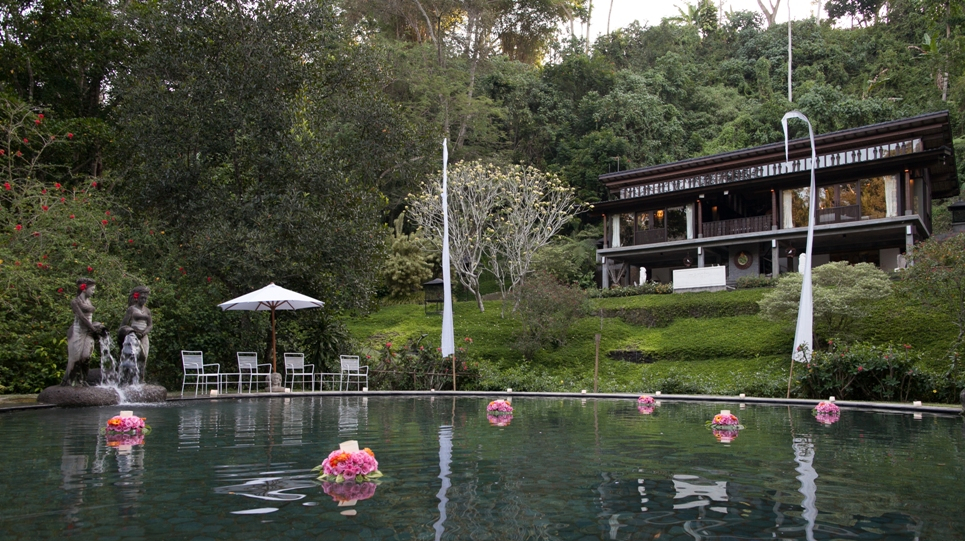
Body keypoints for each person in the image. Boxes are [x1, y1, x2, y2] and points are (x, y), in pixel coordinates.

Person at [63, 278, 107, 385]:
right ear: (84, 289)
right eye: (92, 289)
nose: (93, 292)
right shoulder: (75, 301)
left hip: (88, 331)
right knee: (75, 359)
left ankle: (83, 379)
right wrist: (93, 329)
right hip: (78, 331)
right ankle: (69, 381)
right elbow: (82, 318)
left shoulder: (88, 301)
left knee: (86, 356)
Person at [120, 286, 152, 381]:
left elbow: (150, 325)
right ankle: (130, 378)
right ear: (136, 298)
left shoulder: (147, 311)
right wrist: (130, 331)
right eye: (142, 298)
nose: (144, 300)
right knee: (134, 357)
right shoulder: (131, 309)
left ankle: (141, 379)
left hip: (144, 335)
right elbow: (124, 324)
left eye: (145, 298)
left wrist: (143, 333)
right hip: (134, 335)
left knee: (144, 357)